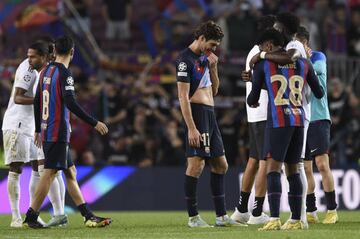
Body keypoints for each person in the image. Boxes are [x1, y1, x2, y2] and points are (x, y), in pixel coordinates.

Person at [23, 36, 111, 228]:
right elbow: (70, 103)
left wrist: (38, 128)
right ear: (72, 52)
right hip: (57, 130)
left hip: (47, 129)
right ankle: (31, 215)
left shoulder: (45, 70)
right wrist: (94, 122)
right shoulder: (65, 74)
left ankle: (88, 215)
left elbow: (37, 101)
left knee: (70, 172)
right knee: (49, 173)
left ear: (54, 51)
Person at [247, 29, 324, 231]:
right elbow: (319, 92)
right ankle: (296, 219)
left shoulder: (263, 64)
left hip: (278, 122)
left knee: (273, 169)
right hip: (299, 120)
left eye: (262, 47)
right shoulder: (305, 63)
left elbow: (252, 99)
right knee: (293, 170)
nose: (262, 50)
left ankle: (273, 218)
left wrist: (255, 86)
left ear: (269, 45)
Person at [176, 21, 246, 228]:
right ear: (201, 38)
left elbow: (214, 90)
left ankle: (221, 217)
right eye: (212, 44)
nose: (214, 49)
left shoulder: (205, 59)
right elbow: (182, 97)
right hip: (196, 115)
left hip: (210, 114)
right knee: (196, 165)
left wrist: (214, 67)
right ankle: (193, 217)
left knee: (221, 165)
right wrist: (191, 127)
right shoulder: (184, 60)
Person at [2, 39, 66, 228]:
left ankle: (33, 214)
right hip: (17, 124)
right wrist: (42, 101)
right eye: (28, 56)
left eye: (33, 56)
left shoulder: (48, 70)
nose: (29, 59)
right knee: (16, 169)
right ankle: (15, 217)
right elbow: (18, 96)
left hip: (35, 127)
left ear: (46, 56)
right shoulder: (28, 69)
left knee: (40, 169)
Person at [230, 15, 276, 225]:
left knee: (254, 160)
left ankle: (241, 209)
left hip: (255, 113)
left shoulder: (253, 51)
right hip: (265, 112)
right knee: (266, 161)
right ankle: (257, 212)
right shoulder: (265, 53)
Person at [296, 26, 338, 224]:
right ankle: (311, 211)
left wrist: (304, 60)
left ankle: (332, 210)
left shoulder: (318, 57)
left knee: (322, 164)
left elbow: (318, 71)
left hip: (319, 117)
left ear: (306, 44)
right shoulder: (293, 63)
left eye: (299, 44)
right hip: (302, 119)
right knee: (306, 168)